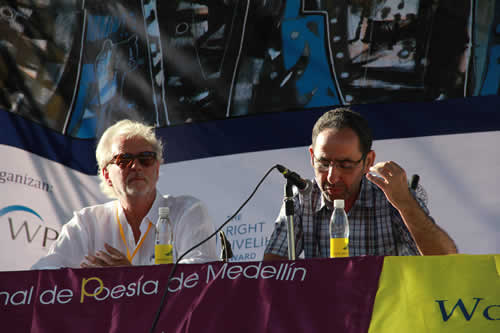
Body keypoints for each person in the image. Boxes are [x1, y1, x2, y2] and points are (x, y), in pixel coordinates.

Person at [264, 108, 457, 260]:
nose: (332, 177)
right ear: (312, 156)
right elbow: (273, 275)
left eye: (345, 165)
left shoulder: (391, 195)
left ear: (368, 161)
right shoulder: (302, 199)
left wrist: (405, 204)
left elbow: (446, 260)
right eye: (323, 163)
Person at [32, 119, 218, 269]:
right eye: (124, 160)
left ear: (157, 168)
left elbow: (200, 274)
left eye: (146, 159)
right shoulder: (87, 222)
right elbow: (44, 271)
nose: (136, 166)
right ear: (106, 174)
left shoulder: (187, 211)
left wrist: (130, 277)